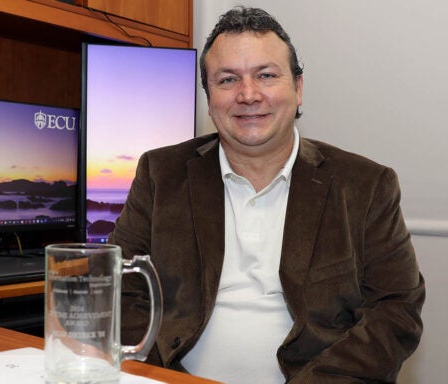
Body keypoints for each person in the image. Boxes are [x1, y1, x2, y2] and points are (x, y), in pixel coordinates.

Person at [110, 6, 424, 383]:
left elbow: (396, 311)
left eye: (266, 75)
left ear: (298, 88)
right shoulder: (162, 173)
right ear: (209, 98)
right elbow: (121, 291)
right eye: (227, 80)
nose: (248, 94)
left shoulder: (366, 185)